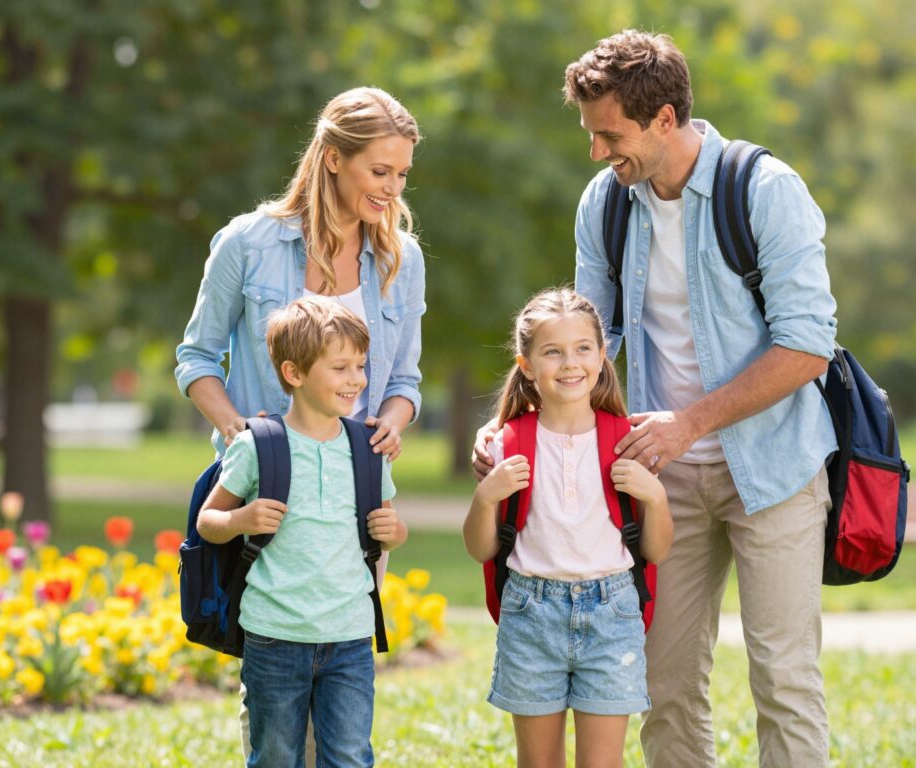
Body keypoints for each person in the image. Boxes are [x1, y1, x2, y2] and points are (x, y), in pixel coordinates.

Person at [475, 30, 838, 768]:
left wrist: (691, 422)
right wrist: (513, 424)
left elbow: (806, 346)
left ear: (665, 119)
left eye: (610, 135)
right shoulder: (607, 203)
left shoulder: (765, 191)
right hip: (656, 479)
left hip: (773, 467)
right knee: (663, 684)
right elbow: (583, 335)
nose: (598, 153)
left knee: (784, 679)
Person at [175, 86, 425, 764]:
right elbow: (196, 357)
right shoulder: (247, 244)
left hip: (354, 498)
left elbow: (403, 382)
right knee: (280, 707)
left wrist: (393, 425)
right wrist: (237, 433)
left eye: (402, 174)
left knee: (343, 711)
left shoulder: (402, 257)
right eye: (381, 171)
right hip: (273, 498)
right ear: (334, 158)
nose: (393, 188)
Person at [464, 288, 673, 768]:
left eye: (582, 348)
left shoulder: (627, 441)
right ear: (526, 364)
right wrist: (487, 495)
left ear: (602, 357)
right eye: (552, 351)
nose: (569, 362)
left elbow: (657, 550)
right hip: (531, 614)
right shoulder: (507, 442)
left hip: (612, 616)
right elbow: (481, 549)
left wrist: (655, 495)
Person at [197, 297, 408, 768]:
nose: (356, 379)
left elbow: (391, 528)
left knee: (351, 757)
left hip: (349, 636)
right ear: (294, 373)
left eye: (359, 365)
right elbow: (208, 523)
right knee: (275, 757)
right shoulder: (258, 444)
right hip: (274, 635)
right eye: (340, 367)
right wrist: (241, 520)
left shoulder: (368, 447)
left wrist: (394, 530)